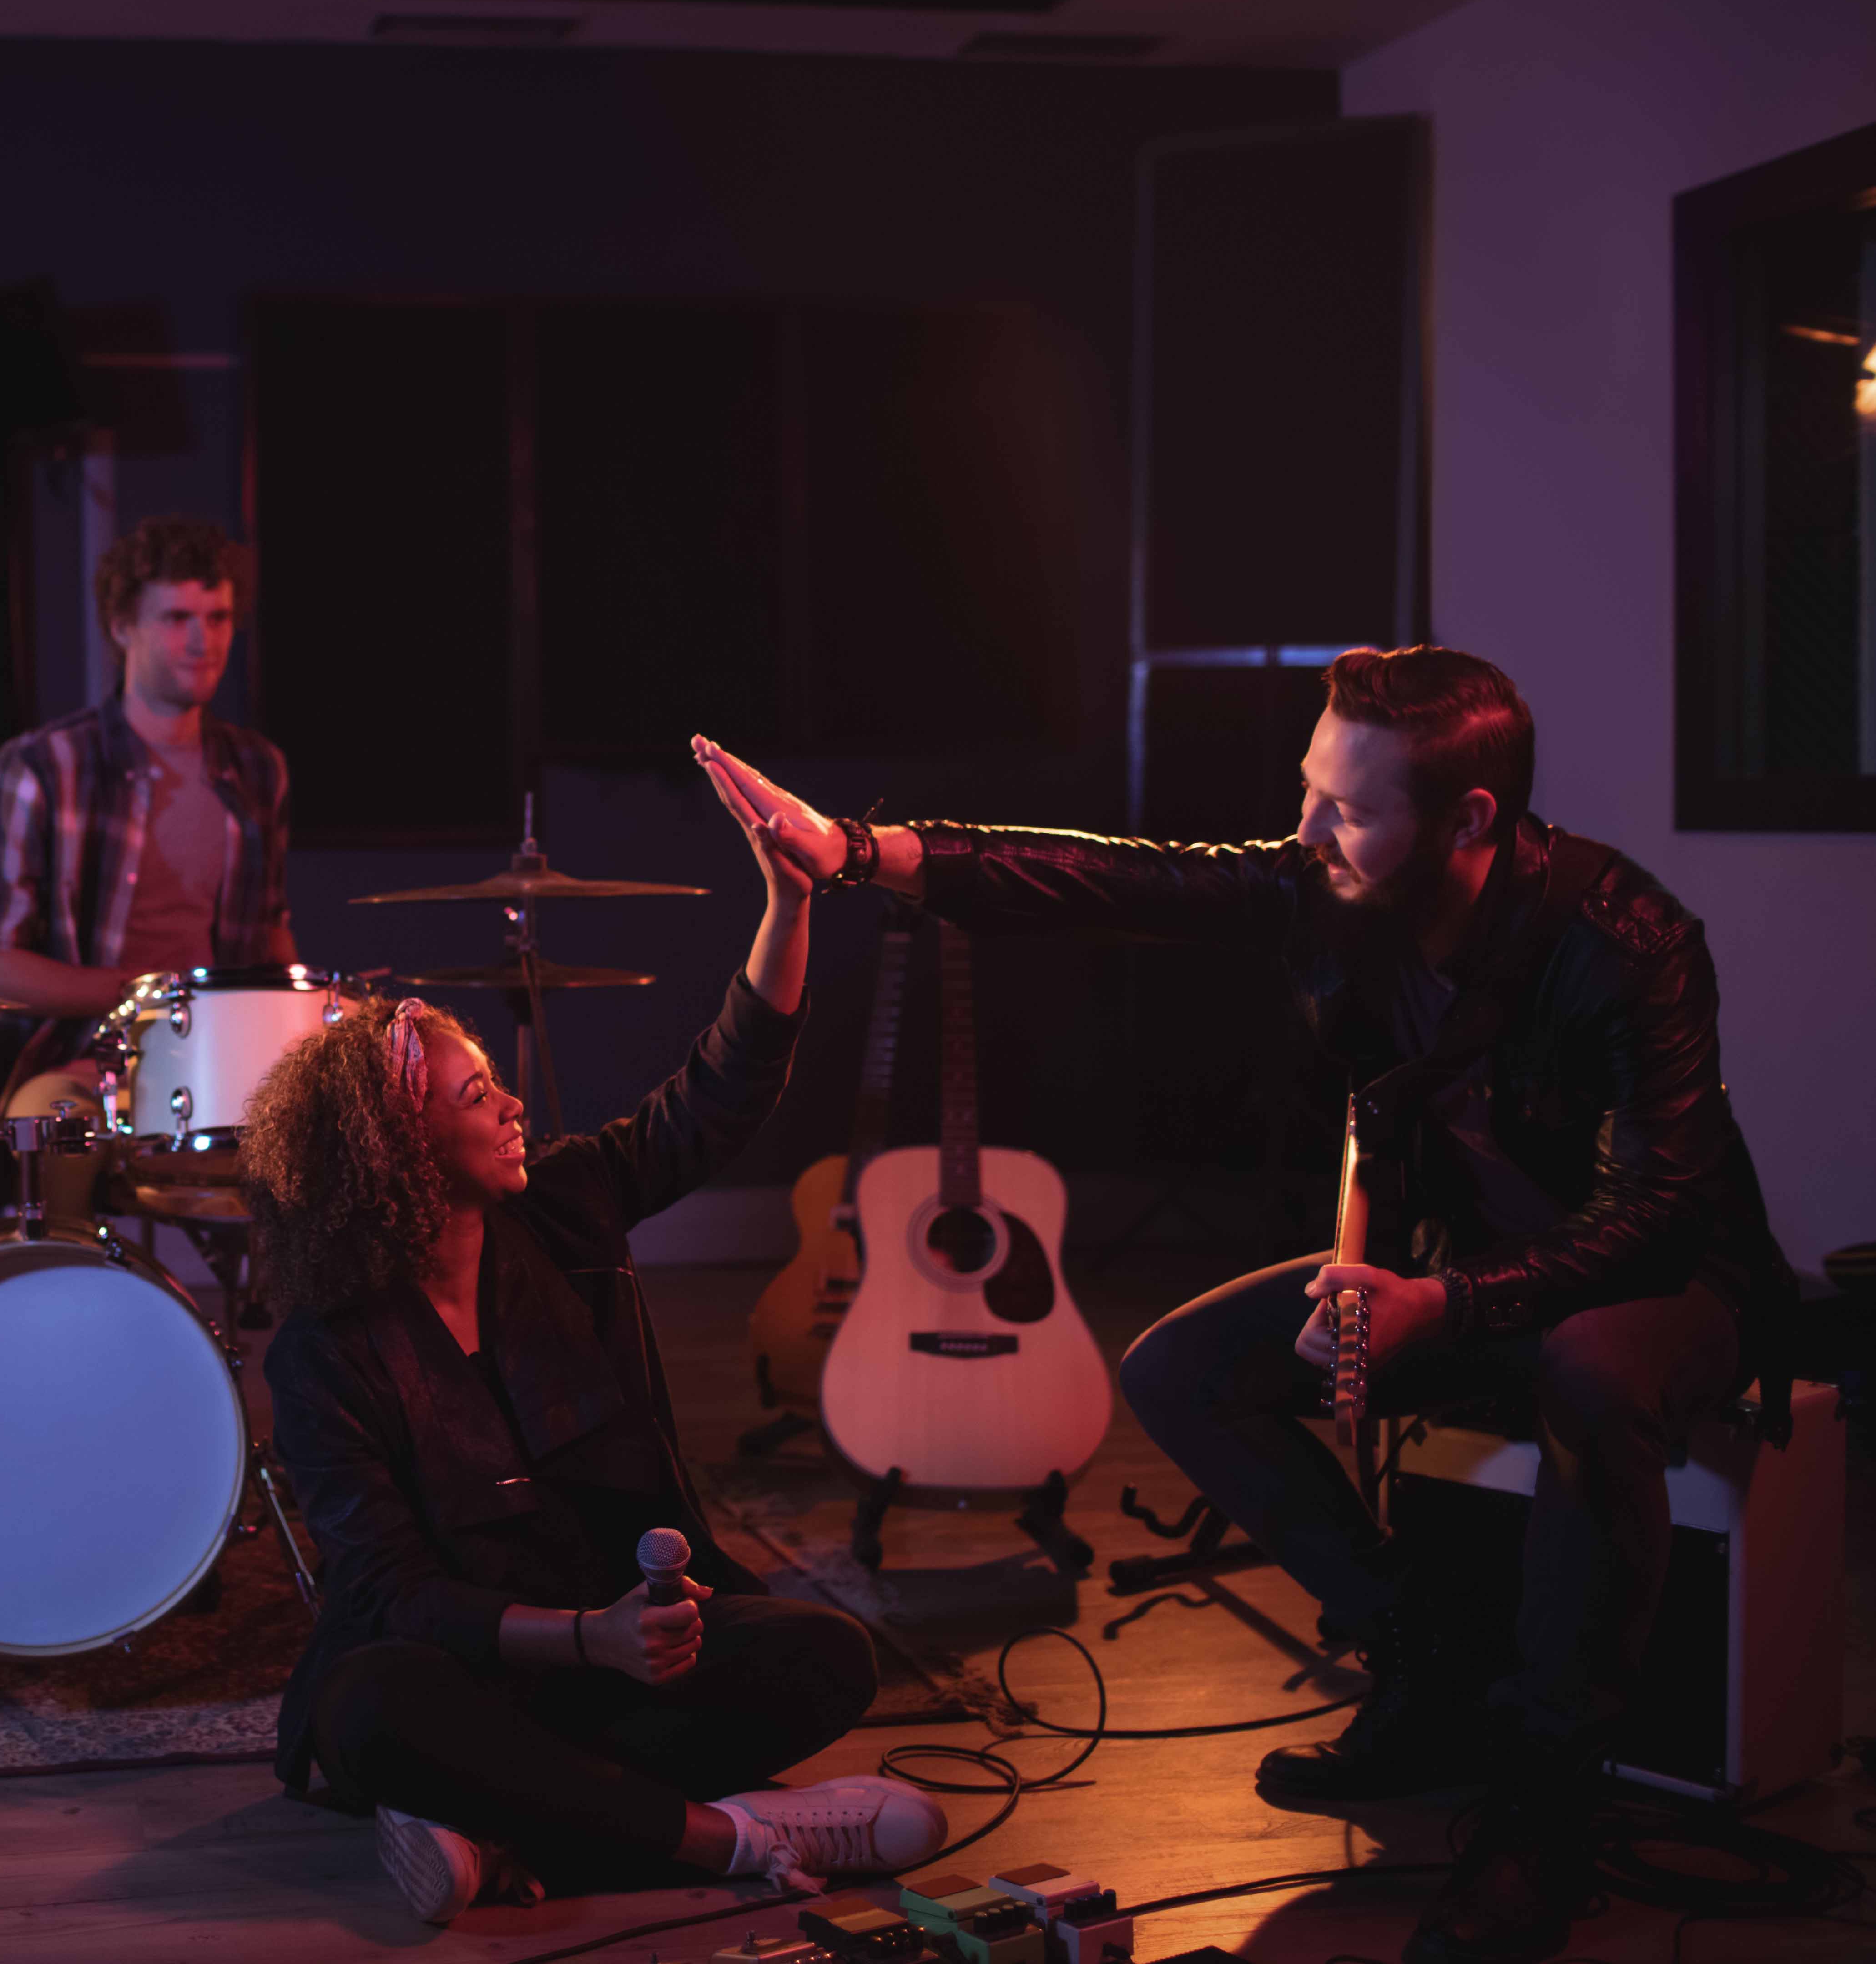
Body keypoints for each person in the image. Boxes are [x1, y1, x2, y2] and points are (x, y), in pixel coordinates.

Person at [695, 645, 1797, 1964]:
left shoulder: (1626, 942)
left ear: (1470, 822)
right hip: (1457, 1270)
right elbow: (1120, 875)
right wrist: (861, 852)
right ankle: (1425, 1661)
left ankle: (1543, 1810)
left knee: (1591, 1373)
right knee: (1180, 1370)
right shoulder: (1335, 887)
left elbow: (1656, 1214)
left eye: (1347, 808)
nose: (1306, 831)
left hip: (1664, 1284)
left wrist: (1444, 1303)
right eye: (1307, 790)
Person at [239, 758, 946, 1924]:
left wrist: (790, 903)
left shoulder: (564, 1207)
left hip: (613, 1654)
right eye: (476, 1097)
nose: (513, 1104)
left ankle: (498, 1833)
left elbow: (718, 1095)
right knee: (374, 1707)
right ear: (397, 1151)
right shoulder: (325, 1353)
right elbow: (395, 1597)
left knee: (829, 1656)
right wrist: (585, 1640)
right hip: (473, 1669)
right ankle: (727, 1836)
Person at [0, 515, 296, 1215]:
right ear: (121, 627)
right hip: (90, 1062)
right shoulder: (44, 767)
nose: (202, 641)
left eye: (218, 618)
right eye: (176, 618)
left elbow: (269, 934)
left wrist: (312, 1019)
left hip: (226, 1065)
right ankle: (63, 1283)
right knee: (50, 1132)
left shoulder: (258, 769)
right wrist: (140, 996)